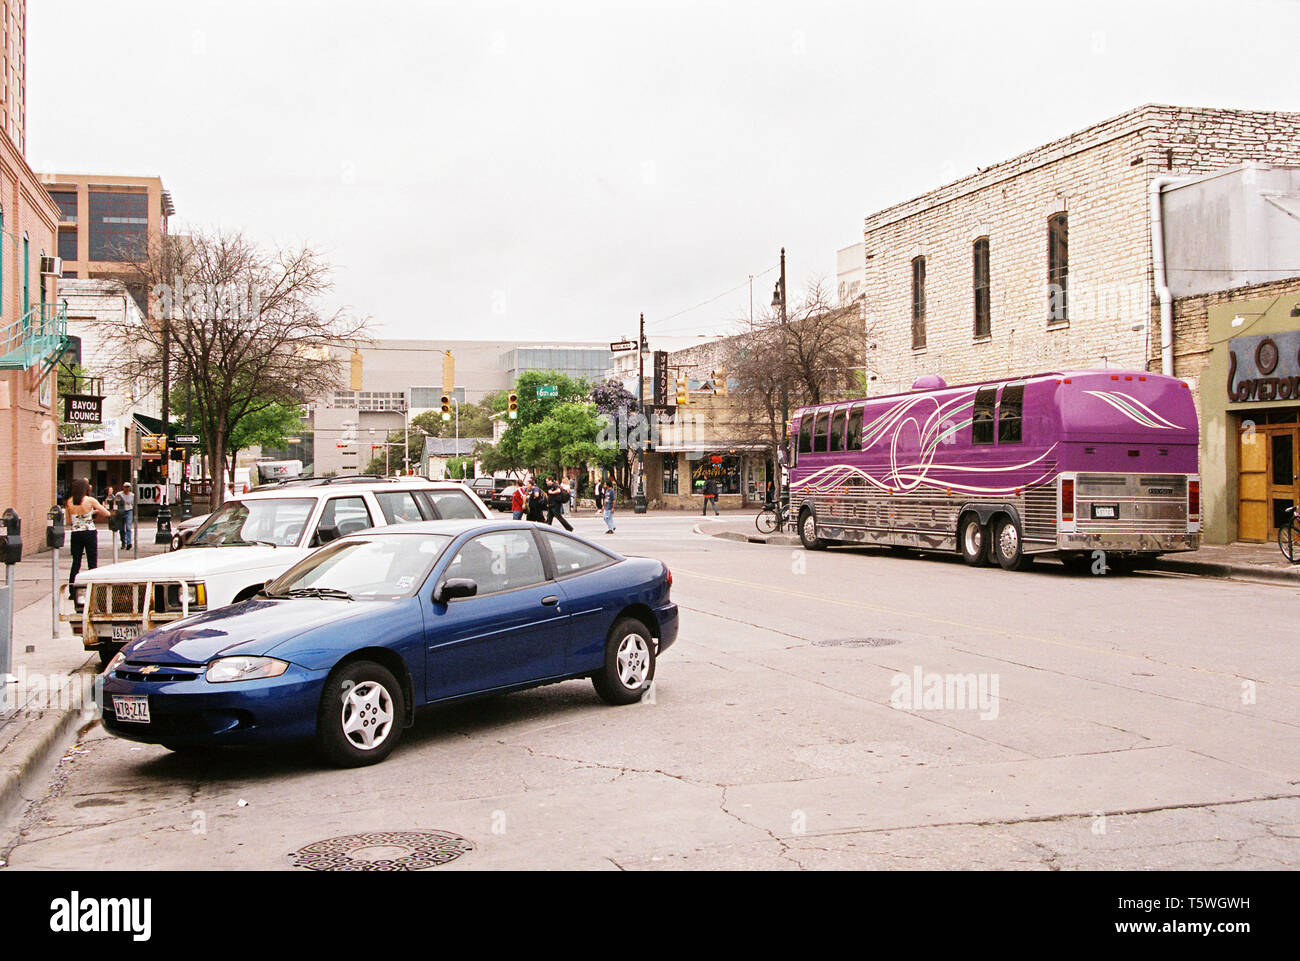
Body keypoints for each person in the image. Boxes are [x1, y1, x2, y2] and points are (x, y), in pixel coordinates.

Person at [65, 478, 110, 592]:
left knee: (76, 561)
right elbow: (106, 513)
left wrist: (87, 514)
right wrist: (94, 512)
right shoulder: (90, 500)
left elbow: (70, 519)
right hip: (89, 532)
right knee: (92, 561)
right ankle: (93, 589)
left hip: (76, 533)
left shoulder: (69, 501)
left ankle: (72, 589)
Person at [119, 482, 135, 550]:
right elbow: (116, 502)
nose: (127, 488)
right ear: (123, 487)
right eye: (126, 487)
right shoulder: (119, 494)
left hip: (129, 511)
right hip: (121, 511)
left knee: (128, 527)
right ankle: (123, 543)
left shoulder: (132, 495)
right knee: (122, 528)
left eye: (128, 487)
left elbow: (133, 504)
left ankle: (129, 543)